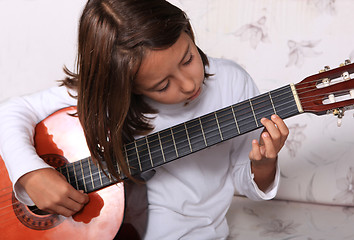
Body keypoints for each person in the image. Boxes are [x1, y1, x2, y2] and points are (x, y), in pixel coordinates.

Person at [0, 0, 289, 239]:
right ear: (125, 87)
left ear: (187, 32)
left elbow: (246, 179)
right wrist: (30, 174)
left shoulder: (231, 82)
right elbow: (10, 111)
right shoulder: (105, 97)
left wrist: (263, 164)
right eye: (162, 86)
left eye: (188, 58)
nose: (189, 84)